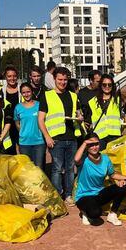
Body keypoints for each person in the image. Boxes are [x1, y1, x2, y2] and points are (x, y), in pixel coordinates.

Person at [38, 66, 83, 200]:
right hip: (56, 138)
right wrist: (47, 137)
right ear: (54, 79)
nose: (62, 82)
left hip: (71, 137)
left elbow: (78, 114)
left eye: (65, 79)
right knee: (57, 169)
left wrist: (80, 118)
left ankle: (68, 194)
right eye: (60, 79)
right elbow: (40, 119)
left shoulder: (73, 96)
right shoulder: (47, 95)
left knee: (70, 168)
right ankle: (58, 194)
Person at [74, 133, 126, 226]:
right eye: (91, 145)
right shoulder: (83, 159)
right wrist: (84, 143)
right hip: (84, 196)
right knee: (96, 214)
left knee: (125, 185)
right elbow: (76, 159)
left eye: (96, 144)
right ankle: (84, 211)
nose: (94, 147)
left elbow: (112, 174)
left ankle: (112, 214)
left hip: (99, 194)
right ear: (86, 146)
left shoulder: (105, 158)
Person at [14, 83, 45, 168]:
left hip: (39, 142)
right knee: (27, 168)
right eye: (24, 92)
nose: (26, 94)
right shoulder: (18, 107)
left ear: (32, 92)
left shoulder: (39, 105)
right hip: (24, 143)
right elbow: (17, 123)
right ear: (21, 93)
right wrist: (23, 133)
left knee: (39, 167)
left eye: (28, 92)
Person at [86, 74, 121, 150]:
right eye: (104, 84)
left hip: (114, 136)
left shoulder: (117, 100)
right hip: (100, 136)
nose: (107, 87)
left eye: (109, 85)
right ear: (101, 85)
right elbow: (88, 119)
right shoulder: (92, 102)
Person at [2, 66, 21, 154]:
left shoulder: (22, 89)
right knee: (10, 151)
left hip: (21, 124)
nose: (12, 78)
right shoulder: (1, 91)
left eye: (14, 76)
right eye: (9, 76)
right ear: (5, 77)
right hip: (7, 125)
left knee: (23, 150)